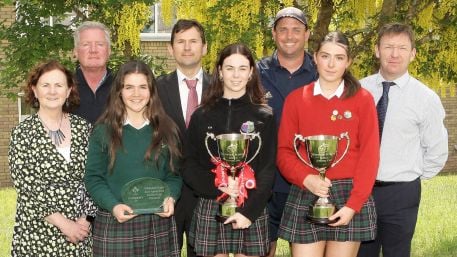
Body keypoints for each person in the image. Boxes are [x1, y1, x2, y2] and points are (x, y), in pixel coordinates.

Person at [276, 31, 379, 257]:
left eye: (339, 58)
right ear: (315, 57)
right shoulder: (296, 99)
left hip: (349, 194)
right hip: (307, 190)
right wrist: (306, 178)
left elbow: (369, 155)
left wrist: (354, 203)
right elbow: (284, 152)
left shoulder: (363, 99)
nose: (331, 64)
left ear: (348, 61)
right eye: (325, 56)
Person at [357, 23, 448, 257]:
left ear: (413, 53)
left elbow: (437, 150)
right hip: (359, 191)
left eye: (402, 48)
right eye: (388, 47)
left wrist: (410, 175)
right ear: (377, 50)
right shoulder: (358, 90)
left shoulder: (425, 98)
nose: (394, 54)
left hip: (401, 193)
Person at [182, 43, 276, 257]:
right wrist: (217, 186)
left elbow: (268, 169)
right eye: (230, 68)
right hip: (212, 203)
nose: (236, 75)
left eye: (242, 68)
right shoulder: (202, 115)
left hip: (251, 206)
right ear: (220, 72)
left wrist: (249, 212)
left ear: (251, 72)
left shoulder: (265, 116)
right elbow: (188, 164)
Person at [84, 60, 183, 257]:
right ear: (119, 91)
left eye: (142, 87)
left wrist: (170, 197)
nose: (136, 94)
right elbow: (93, 178)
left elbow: (174, 175)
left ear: (151, 91)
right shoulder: (103, 131)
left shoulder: (167, 129)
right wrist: (113, 205)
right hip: (115, 221)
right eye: (129, 87)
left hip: (158, 224)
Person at [9, 60, 97, 256]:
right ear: (34, 90)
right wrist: (65, 224)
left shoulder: (84, 128)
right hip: (37, 234)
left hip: (80, 234)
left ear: (68, 91)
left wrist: (86, 219)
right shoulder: (22, 133)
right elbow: (27, 186)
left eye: (58, 85)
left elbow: (95, 175)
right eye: (45, 85)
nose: (52, 91)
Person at [256, 6, 317, 256]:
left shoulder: (322, 72)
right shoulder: (255, 73)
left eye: (296, 30)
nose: (289, 35)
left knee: (303, 250)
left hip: (307, 179)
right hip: (264, 180)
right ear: (273, 34)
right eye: (283, 30)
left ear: (307, 34)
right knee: (262, 249)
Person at [156, 19, 209, 257]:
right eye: (180, 42)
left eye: (193, 41)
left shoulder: (221, 87)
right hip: (168, 190)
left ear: (205, 47)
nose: (187, 47)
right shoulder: (155, 89)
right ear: (171, 48)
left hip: (207, 191)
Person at [72, 21, 114, 124]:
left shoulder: (122, 87)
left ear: (109, 51)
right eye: (86, 44)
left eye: (100, 44)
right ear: (76, 52)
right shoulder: (64, 87)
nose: (93, 50)